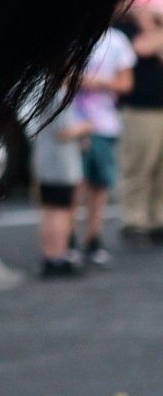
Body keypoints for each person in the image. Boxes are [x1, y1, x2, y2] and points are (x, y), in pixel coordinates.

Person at [73, 25, 135, 264]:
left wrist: (96, 82)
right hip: (75, 123)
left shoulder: (117, 40)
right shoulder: (72, 38)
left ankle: (93, 238)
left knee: (99, 186)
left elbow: (126, 83)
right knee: (74, 185)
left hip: (105, 125)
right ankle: (68, 238)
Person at [119, 0, 163, 244]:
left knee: (160, 168)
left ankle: (158, 218)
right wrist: (149, 26)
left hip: (159, 108)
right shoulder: (126, 29)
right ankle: (133, 219)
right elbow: (141, 48)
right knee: (138, 164)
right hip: (140, 108)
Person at [32, 90, 87, 275]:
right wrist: (85, 127)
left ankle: (49, 255)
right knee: (60, 210)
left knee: (48, 209)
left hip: (47, 160)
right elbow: (62, 130)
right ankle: (59, 255)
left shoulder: (44, 92)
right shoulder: (57, 94)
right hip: (60, 164)